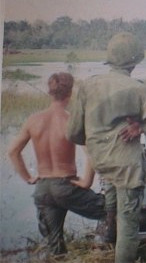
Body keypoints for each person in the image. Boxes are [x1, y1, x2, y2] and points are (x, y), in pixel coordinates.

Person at [66, 32, 146, 263]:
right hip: (126, 167)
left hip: (100, 162)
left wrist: (98, 140)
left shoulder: (87, 86)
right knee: (128, 222)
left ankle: (108, 241)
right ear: (135, 61)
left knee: (111, 200)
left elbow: (74, 133)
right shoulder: (138, 88)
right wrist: (142, 127)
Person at [8, 72, 106, 256]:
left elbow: (13, 152)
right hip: (66, 186)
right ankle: (110, 246)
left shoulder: (33, 120)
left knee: (55, 247)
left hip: (43, 188)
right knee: (110, 210)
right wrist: (86, 182)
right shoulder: (71, 121)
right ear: (70, 93)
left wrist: (28, 178)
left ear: (50, 92)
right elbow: (91, 154)